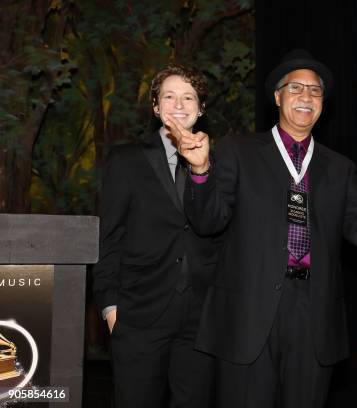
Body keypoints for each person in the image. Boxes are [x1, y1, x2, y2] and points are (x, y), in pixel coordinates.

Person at [168, 49, 357, 408]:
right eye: (296, 88)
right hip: (247, 316)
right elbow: (208, 222)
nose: (306, 97)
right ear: (277, 96)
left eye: (315, 91)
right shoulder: (238, 151)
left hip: (313, 317)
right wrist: (199, 171)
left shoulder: (338, 168)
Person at [92, 64, 218, 408]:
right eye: (169, 96)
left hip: (200, 318)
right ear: (156, 107)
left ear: (201, 108)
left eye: (188, 96)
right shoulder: (127, 160)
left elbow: (219, 231)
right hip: (139, 313)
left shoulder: (220, 164)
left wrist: (202, 169)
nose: (179, 104)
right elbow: (109, 237)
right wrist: (110, 306)